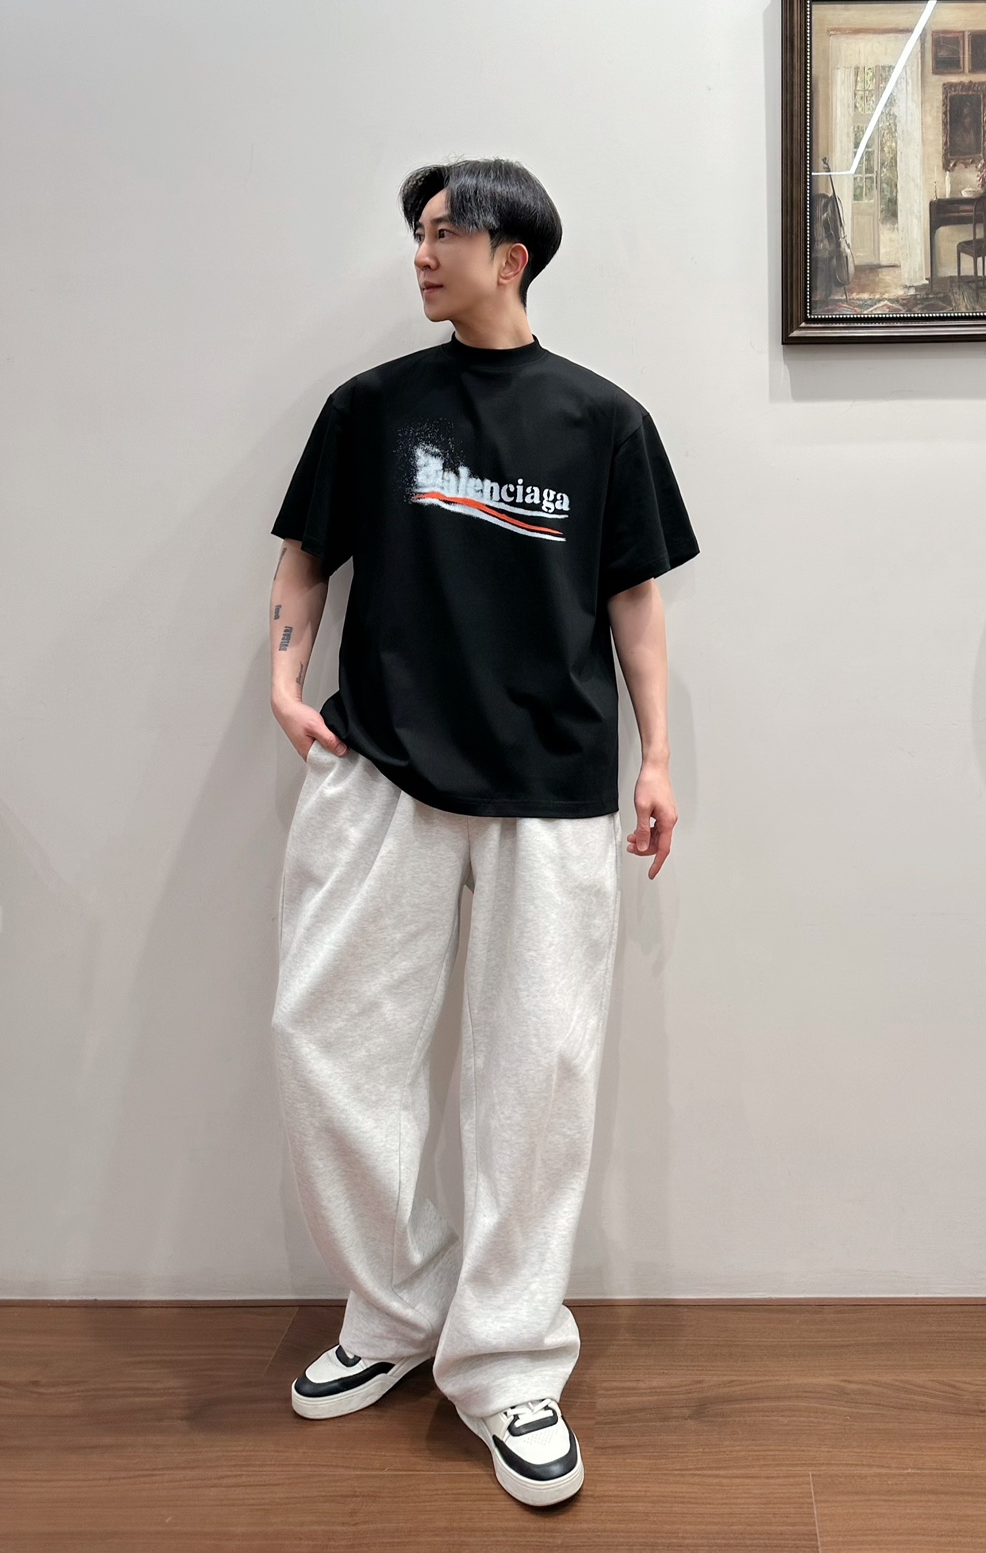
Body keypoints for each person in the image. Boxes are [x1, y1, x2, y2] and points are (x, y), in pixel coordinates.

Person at [267, 157, 698, 1508]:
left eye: (442, 230)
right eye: (417, 231)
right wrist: (283, 677)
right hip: (382, 767)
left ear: (510, 256)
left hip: (554, 786)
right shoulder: (372, 406)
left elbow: (634, 603)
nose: (419, 251)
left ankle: (509, 1360)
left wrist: (658, 757)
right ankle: (396, 1309)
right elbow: (306, 553)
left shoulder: (604, 420)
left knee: (537, 1079)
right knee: (327, 1042)